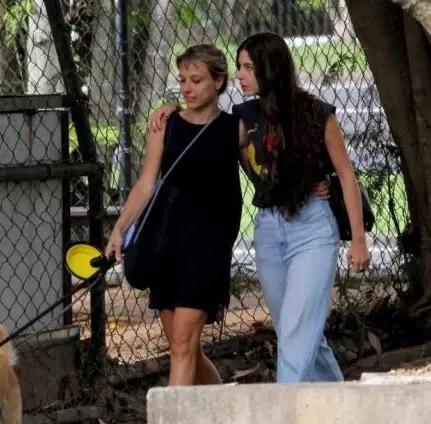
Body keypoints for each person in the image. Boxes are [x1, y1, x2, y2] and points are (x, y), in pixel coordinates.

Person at [148, 32, 370, 383]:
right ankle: (339, 409)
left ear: (272, 68)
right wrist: (173, 109)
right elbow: (205, 130)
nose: (240, 75)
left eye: (248, 67)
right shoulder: (243, 117)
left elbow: (345, 172)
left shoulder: (315, 113)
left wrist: (358, 239)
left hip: (311, 226)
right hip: (268, 229)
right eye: (238, 67)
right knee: (298, 332)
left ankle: (283, 423)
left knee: (297, 336)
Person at [106, 44, 242, 393]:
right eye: (182, 80)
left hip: (208, 246)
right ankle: (225, 411)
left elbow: (266, 172)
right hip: (166, 245)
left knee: (182, 346)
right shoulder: (164, 124)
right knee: (187, 350)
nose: (186, 87)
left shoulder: (237, 129)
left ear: (219, 82)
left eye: (196, 80)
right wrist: (119, 229)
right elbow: (146, 182)